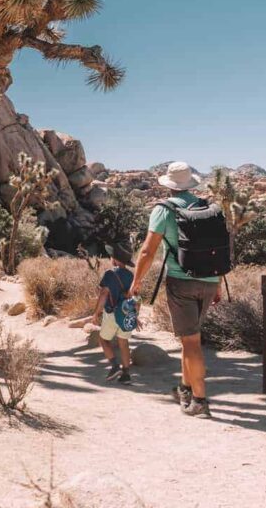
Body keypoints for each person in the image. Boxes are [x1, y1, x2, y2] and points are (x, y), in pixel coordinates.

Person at [130, 162, 221, 418]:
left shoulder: (164, 209)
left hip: (181, 281)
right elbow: (218, 247)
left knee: (192, 342)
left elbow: (148, 250)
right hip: (210, 280)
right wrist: (218, 282)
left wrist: (136, 281)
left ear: (169, 185)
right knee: (188, 337)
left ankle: (200, 402)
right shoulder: (206, 207)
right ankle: (185, 388)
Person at [92, 240, 137, 385]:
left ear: (115, 259)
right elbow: (136, 297)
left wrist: (96, 313)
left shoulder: (110, 274)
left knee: (103, 339)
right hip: (126, 313)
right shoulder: (131, 276)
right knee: (124, 343)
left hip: (112, 314)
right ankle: (126, 375)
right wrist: (136, 315)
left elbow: (104, 294)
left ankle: (114, 366)